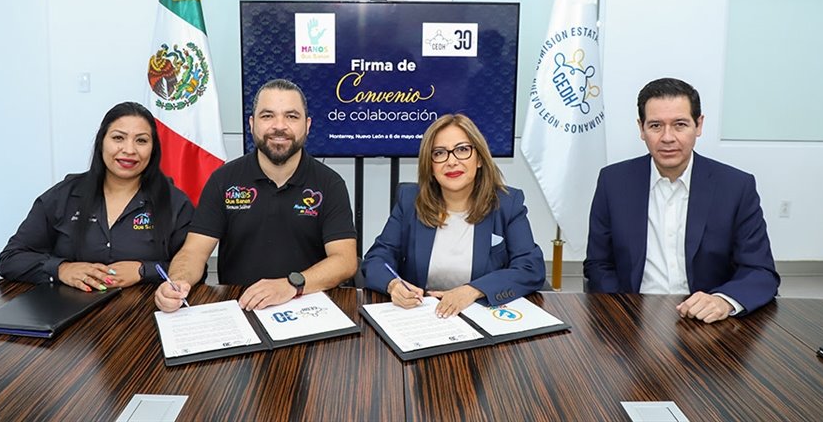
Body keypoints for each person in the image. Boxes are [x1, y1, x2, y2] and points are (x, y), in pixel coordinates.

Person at [584, 78, 780, 323]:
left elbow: (760, 272)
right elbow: (598, 264)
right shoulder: (613, 182)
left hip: (709, 322)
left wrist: (723, 301)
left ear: (698, 125)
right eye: (655, 125)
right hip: (631, 320)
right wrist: (622, 310)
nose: (668, 137)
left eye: (680, 125)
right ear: (641, 129)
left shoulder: (736, 187)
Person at [154, 79, 357, 313]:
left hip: (307, 306)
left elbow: (345, 260)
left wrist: (292, 285)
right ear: (252, 124)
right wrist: (177, 282)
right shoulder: (223, 180)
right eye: (267, 116)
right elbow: (194, 252)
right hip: (240, 306)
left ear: (307, 125)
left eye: (291, 116)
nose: (279, 126)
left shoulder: (330, 184)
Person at [362, 114, 545, 318]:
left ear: (479, 160)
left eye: (462, 150)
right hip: (422, 317)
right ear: (430, 167)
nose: (451, 161)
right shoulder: (409, 201)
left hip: (483, 315)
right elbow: (376, 259)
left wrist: (472, 290)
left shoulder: (507, 204)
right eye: (439, 153)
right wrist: (393, 285)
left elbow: (530, 268)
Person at [0, 102, 193, 292]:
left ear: (153, 148)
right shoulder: (63, 195)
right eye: (118, 138)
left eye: (141, 140)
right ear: (102, 142)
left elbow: (193, 269)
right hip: (68, 314)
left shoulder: (175, 202)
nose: (129, 150)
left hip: (145, 314)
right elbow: (11, 259)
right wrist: (61, 269)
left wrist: (143, 271)